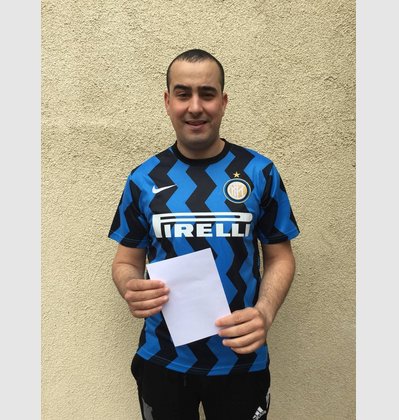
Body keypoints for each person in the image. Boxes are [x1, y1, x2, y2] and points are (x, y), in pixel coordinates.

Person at [108, 49, 299, 420]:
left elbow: (280, 256)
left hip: (241, 360)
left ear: (223, 102)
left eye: (207, 94)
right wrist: (130, 286)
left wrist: (265, 312)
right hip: (163, 358)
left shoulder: (259, 172)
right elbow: (125, 261)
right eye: (183, 94)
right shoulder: (143, 178)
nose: (195, 107)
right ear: (167, 102)